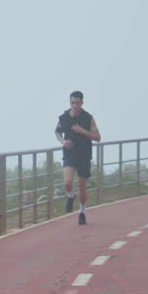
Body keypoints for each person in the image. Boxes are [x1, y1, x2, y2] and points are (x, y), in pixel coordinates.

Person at [55, 90, 101, 224]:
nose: (75, 106)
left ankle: (82, 211)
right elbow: (58, 132)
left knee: (82, 187)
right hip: (69, 153)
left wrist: (83, 131)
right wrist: (63, 142)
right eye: (72, 103)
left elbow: (98, 138)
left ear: (82, 103)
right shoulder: (64, 117)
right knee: (67, 183)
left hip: (84, 154)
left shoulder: (88, 118)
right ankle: (70, 196)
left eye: (77, 103)